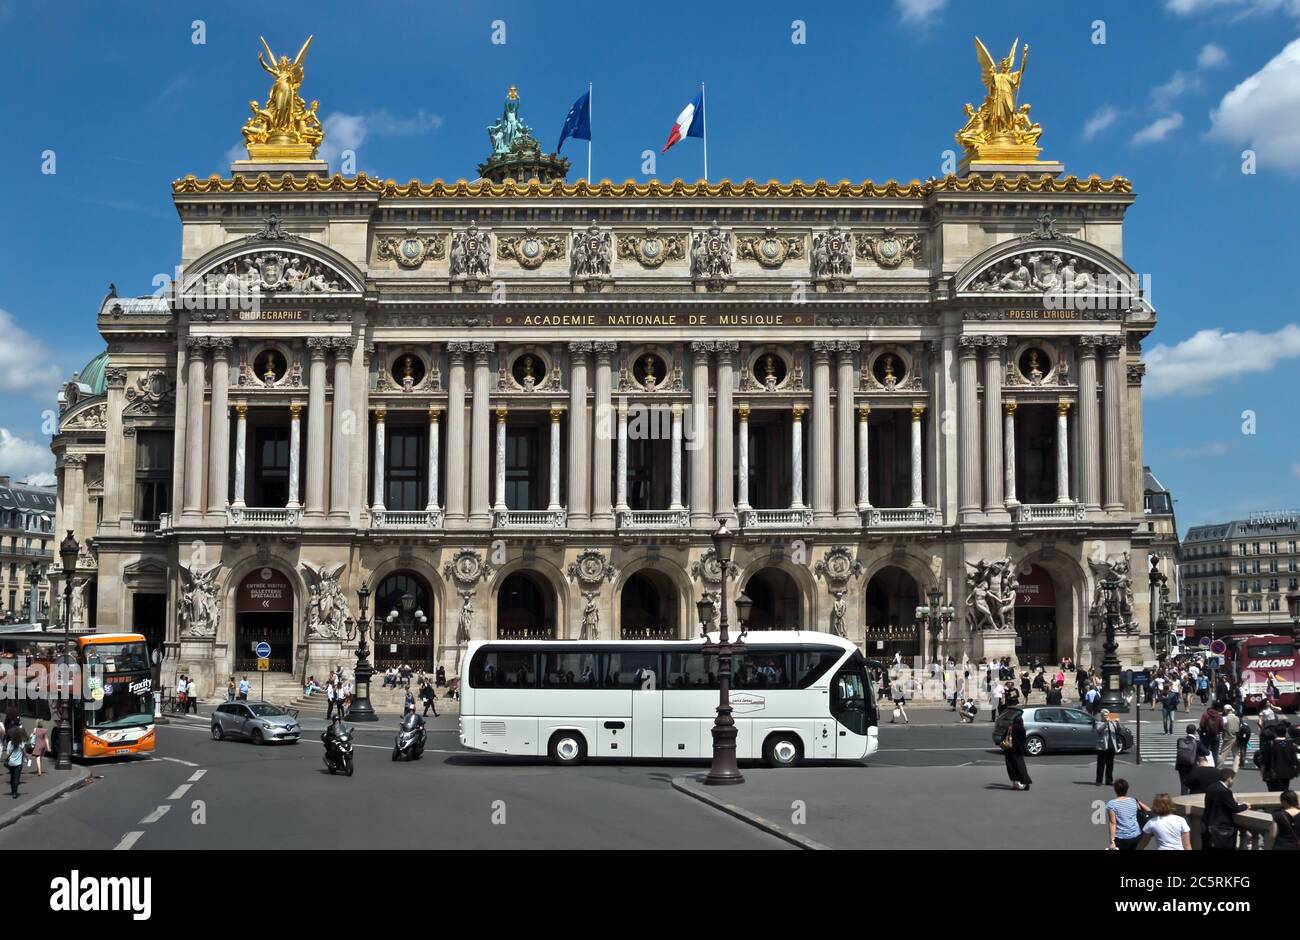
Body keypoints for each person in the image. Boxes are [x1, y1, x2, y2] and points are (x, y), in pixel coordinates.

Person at [1202, 768, 1251, 851]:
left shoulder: (1211, 787)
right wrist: (1245, 806)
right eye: (1232, 779)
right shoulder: (1225, 791)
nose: (1233, 781)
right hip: (1221, 828)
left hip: (1207, 825)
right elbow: (1234, 808)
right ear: (1229, 779)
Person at [1106, 779, 1149, 851]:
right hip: (1136, 835)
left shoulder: (1111, 804)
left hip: (1121, 838)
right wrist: (1138, 802)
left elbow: (1113, 823)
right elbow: (1149, 810)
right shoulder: (1133, 800)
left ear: (1115, 789)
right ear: (1127, 789)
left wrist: (1112, 841)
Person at [1176, 724, 1210, 795]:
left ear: (1186, 731)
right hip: (1192, 765)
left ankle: (1183, 800)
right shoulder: (1197, 743)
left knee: (1183, 784)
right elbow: (1207, 752)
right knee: (1193, 784)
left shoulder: (1180, 740)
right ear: (1195, 732)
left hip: (1181, 764)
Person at [1002, 709, 1032, 791]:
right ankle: (1026, 782)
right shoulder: (1022, 729)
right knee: (1021, 766)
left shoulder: (1011, 728)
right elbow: (1023, 740)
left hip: (1010, 750)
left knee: (1011, 767)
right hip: (1019, 751)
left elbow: (1004, 737)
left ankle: (1015, 783)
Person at [1094, 709, 1123, 786]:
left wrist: (1118, 723)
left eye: (1108, 715)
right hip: (1103, 746)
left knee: (1110, 764)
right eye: (1105, 715)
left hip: (1111, 745)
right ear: (1102, 716)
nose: (1106, 717)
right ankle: (1099, 781)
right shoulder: (1099, 723)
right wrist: (1106, 723)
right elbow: (1099, 730)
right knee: (1101, 764)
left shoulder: (1112, 722)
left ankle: (1109, 780)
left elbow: (1118, 730)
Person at [1268, 725, 1300, 793]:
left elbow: (1270, 758)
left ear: (1275, 733)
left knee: (1276, 790)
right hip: (1288, 770)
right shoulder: (1290, 744)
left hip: (1276, 770)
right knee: (1285, 787)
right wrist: (1296, 770)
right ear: (1285, 733)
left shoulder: (1272, 744)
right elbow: (1294, 757)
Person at [3, 727, 23, 798]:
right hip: (18, 764)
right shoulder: (21, 742)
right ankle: (15, 793)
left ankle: (12, 791)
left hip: (11, 763)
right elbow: (23, 752)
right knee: (16, 778)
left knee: (12, 777)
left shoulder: (9, 743)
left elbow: (8, 754)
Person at [1221, 706, 1242, 771]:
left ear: (1225, 710)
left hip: (1228, 737)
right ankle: (1235, 769)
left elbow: (1222, 727)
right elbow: (1240, 727)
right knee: (1236, 754)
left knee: (1223, 753)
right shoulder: (1237, 718)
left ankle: (1218, 767)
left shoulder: (1225, 718)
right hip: (1236, 737)